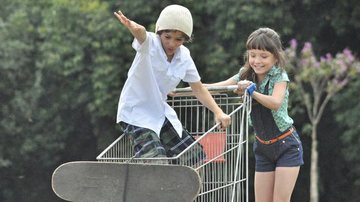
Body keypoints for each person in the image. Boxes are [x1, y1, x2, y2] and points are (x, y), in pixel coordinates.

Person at [113, 5, 231, 164]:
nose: (172, 43)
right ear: (159, 32)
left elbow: (198, 88)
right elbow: (142, 35)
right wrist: (135, 28)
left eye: (178, 39)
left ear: (185, 40)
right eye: (167, 37)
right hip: (135, 113)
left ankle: (185, 189)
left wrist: (218, 112)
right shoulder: (150, 45)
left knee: (194, 158)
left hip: (160, 112)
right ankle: (152, 186)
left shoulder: (185, 57)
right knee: (157, 162)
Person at [207, 27, 304, 202]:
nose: (257, 61)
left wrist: (251, 91)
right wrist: (182, 89)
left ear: (276, 57)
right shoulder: (246, 75)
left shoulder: (280, 76)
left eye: (263, 56)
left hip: (286, 145)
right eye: (252, 55)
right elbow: (216, 87)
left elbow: (275, 103)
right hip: (262, 147)